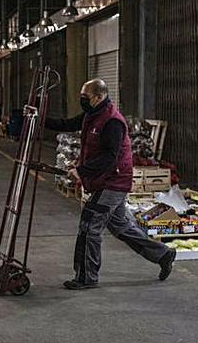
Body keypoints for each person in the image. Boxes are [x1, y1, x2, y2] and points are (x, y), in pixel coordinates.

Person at [47, 78, 175, 290]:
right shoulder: (92, 114)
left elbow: (110, 158)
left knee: (89, 227)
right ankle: (163, 254)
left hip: (113, 182)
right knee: (121, 226)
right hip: (104, 180)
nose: (82, 101)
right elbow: (68, 125)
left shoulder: (112, 121)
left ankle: (87, 277)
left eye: (85, 98)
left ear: (99, 97)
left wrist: (80, 171)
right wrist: (39, 118)